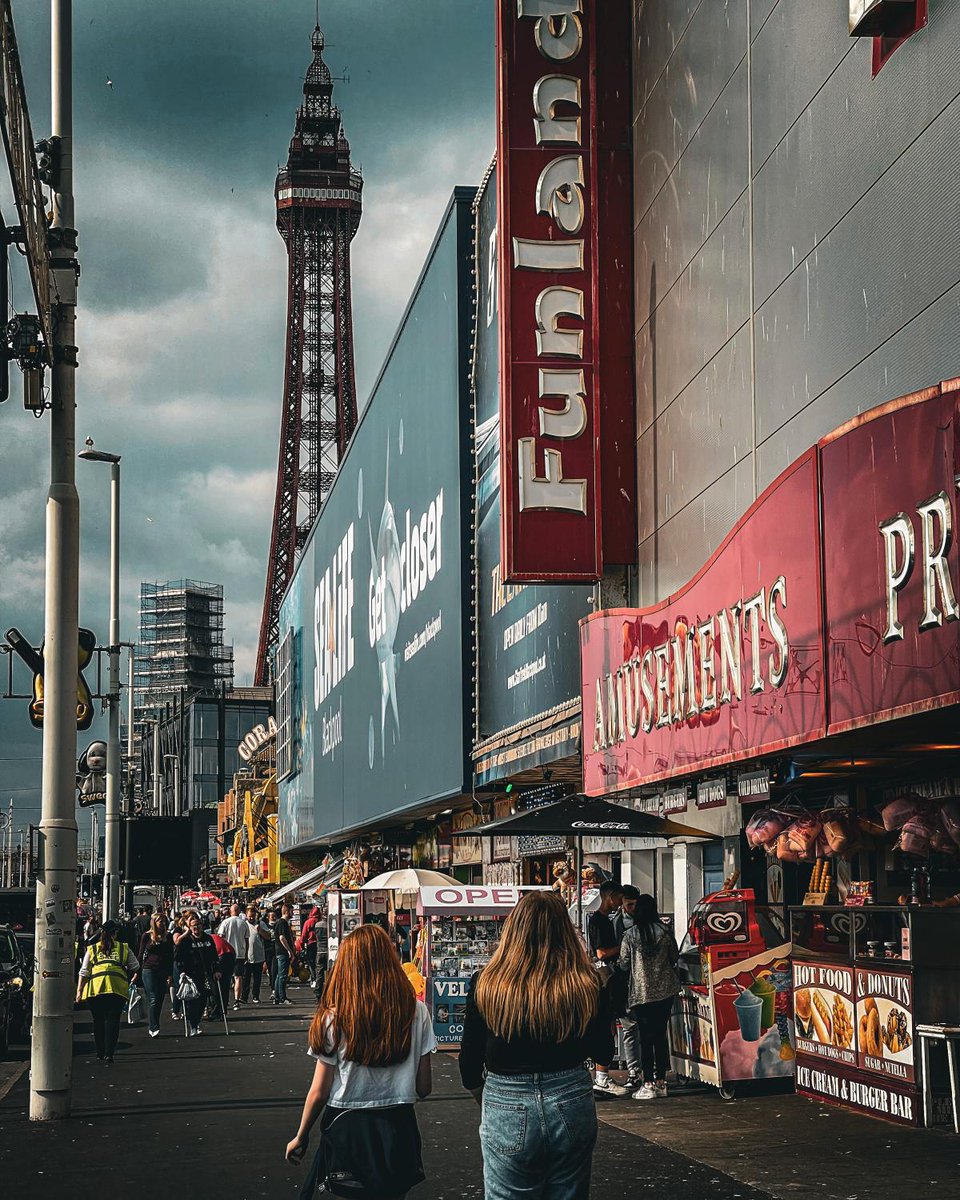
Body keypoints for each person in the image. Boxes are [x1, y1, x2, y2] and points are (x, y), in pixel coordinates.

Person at [458, 891, 613, 1200]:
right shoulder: (586, 984)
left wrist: (488, 1098)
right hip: (570, 1098)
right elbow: (604, 1051)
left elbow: (469, 1062)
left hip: (506, 1099)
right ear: (565, 932)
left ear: (514, 930)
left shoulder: (486, 983)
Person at [285, 924, 435, 1199]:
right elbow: (424, 1087)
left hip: (347, 1124)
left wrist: (301, 1135)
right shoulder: (417, 1011)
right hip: (398, 1125)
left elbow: (319, 1092)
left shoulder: (334, 1017)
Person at [618, 893, 681, 1101]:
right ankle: (662, 1082)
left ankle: (647, 1083)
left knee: (645, 1038)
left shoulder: (630, 935)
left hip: (642, 993)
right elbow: (674, 956)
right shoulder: (665, 931)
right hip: (665, 991)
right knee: (660, 1035)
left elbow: (624, 963)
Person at [586, 880, 628, 1097]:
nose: (621, 903)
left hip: (605, 975)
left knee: (609, 1023)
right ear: (610, 896)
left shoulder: (603, 920)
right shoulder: (599, 921)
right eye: (619, 898)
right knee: (607, 1024)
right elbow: (601, 953)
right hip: (605, 977)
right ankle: (602, 1077)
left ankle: (602, 1075)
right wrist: (624, 945)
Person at [76, 920, 139, 1064]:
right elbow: (135, 966)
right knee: (113, 1020)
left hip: (96, 989)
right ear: (115, 933)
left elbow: (84, 972)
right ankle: (109, 1053)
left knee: (98, 1021)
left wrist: (79, 992)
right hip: (116, 988)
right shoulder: (124, 948)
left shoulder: (92, 949)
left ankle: (99, 1052)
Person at [611, 884, 643, 1090]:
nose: (632, 908)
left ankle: (649, 1071)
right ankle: (634, 1070)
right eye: (629, 904)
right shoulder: (617, 922)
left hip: (642, 983)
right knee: (630, 1028)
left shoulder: (646, 922)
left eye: (634, 904)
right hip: (627, 983)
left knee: (642, 1029)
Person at [174, 911, 220, 1036]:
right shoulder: (186, 941)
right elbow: (178, 957)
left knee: (203, 999)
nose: (196, 928)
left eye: (198, 925)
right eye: (193, 926)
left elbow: (214, 956)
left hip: (205, 974)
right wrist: (182, 972)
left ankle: (197, 1021)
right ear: (189, 927)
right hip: (191, 974)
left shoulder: (208, 938)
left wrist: (216, 970)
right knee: (193, 1000)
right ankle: (193, 1025)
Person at [136, 912, 174, 1038]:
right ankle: (153, 1027)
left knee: (160, 998)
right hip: (149, 969)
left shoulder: (168, 937)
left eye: (163, 921)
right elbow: (141, 955)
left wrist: (170, 974)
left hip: (162, 969)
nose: (162, 923)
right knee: (152, 997)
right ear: (154, 922)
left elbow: (170, 957)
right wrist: (136, 971)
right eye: (159, 921)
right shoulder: (147, 936)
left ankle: (155, 1022)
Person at [217, 902, 250, 1008]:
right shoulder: (244, 923)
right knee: (238, 977)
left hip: (226, 953)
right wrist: (246, 953)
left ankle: (224, 1000)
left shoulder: (225, 922)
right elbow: (247, 940)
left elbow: (220, 938)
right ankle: (237, 1000)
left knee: (226, 978)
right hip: (239, 953)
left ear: (230, 911)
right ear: (239, 911)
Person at [241, 904, 266, 1004]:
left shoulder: (261, 923)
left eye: (253, 915)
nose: (251, 917)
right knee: (245, 979)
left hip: (258, 956)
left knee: (257, 979)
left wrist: (260, 930)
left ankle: (256, 996)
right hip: (247, 956)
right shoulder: (243, 925)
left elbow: (268, 936)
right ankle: (244, 997)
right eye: (249, 915)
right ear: (246, 915)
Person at [273, 904, 296, 1005]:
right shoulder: (282, 923)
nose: (293, 913)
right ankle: (282, 997)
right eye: (291, 911)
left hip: (280, 952)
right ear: (286, 912)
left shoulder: (280, 922)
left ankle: (277, 996)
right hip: (282, 952)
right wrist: (289, 950)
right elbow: (282, 937)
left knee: (279, 975)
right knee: (283, 975)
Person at [297, 905, 321, 988]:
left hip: (311, 944)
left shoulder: (308, 922)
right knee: (319, 963)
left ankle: (314, 979)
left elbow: (303, 935)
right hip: (321, 944)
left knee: (311, 963)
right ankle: (320, 979)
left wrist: (301, 945)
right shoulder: (321, 921)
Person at [260, 906, 278, 995]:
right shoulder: (265, 926)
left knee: (274, 969)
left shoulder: (278, 925)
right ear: (268, 917)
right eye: (272, 916)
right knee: (270, 969)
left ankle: (274, 987)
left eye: (275, 916)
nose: (274, 918)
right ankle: (272, 985)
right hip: (267, 950)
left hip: (276, 949)